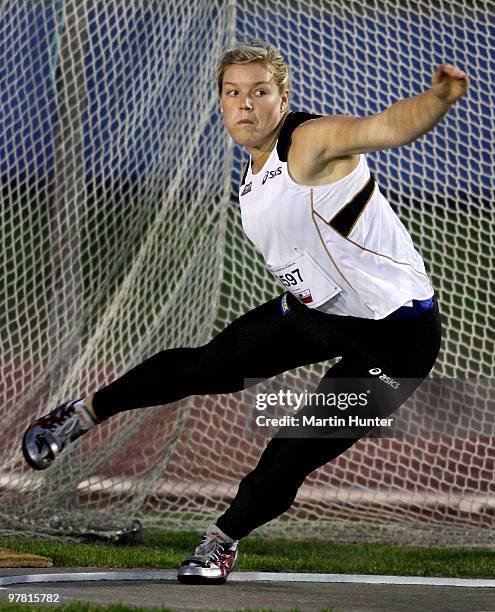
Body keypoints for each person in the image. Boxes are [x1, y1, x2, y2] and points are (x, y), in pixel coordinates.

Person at [22, 41, 468, 584]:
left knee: (295, 448)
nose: (245, 105)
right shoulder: (253, 177)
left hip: (397, 339)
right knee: (206, 366)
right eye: (232, 93)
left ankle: (220, 541)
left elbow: (383, 128)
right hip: (318, 310)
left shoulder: (308, 144)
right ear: (221, 102)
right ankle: (81, 414)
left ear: (283, 99)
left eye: (259, 92)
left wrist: (438, 99)